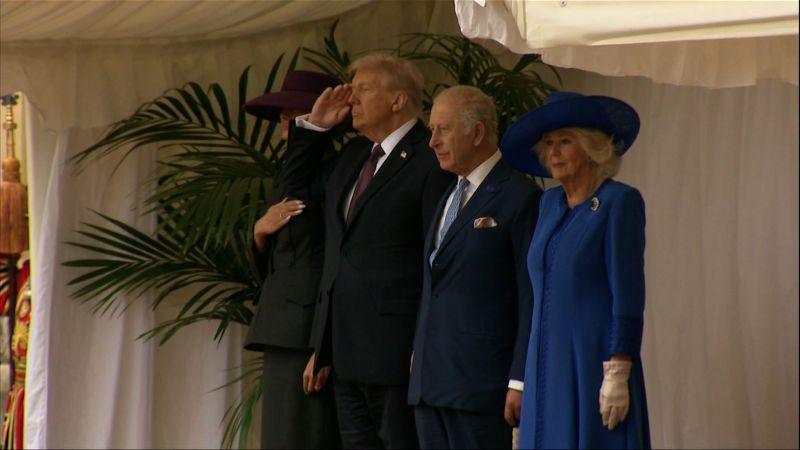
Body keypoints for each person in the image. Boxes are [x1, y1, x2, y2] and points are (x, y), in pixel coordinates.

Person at [295, 53, 453, 449]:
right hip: (344, 351)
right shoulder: (354, 156)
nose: (352, 99)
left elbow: (437, 260)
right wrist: (315, 128)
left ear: (398, 100)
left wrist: (424, 344)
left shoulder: (430, 158)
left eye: (363, 90)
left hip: (397, 352)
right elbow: (295, 192)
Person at [500, 91, 651, 449]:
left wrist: (618, 368)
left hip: (592, 359)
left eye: (565, 141)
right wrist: (522, 378)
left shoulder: (619, 201)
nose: (553, 152)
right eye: (548, 143)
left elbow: (628, 294)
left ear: (592, 148)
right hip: (544, 359)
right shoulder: (548, 203)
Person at [407, 85, 542, 449]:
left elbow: (530, 294)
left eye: (443, 129)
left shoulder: (520, 196)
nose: (432, 141)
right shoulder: (449, 193)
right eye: (432, 130)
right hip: (431, 385)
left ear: (477, 132)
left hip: (482, 386)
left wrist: (519, 379)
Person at [242, 69, 342, 450]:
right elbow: (279, 262)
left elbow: (332, 259)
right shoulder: (289, 172)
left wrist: (323, 342)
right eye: (284, 117)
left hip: (309, 329)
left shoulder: (334, 171)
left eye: (295, 116)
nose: (286, 124)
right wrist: (259, 233)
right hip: (283, 327)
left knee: (307, 435)